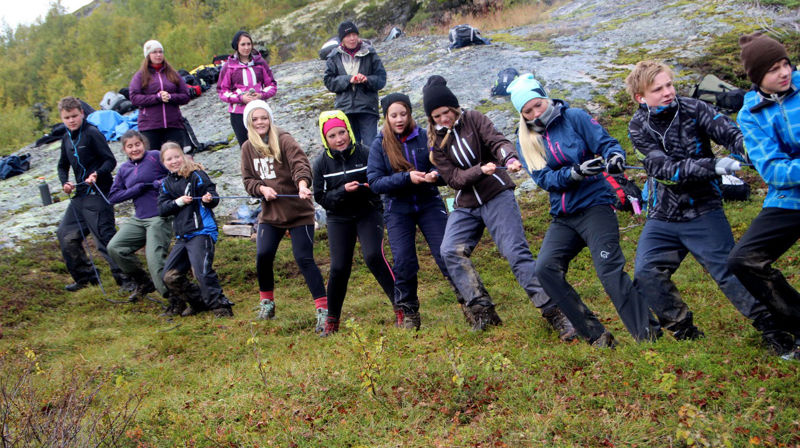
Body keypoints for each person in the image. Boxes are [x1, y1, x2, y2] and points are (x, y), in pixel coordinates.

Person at [625, 60, 793, 355]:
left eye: (669, 85)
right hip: (662, 215)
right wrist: (713, 165)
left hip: (703, 208)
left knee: (731, 274)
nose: (668, 92)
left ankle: (774, 329)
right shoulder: (638, 126)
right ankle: (683, 329)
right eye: (658, 89)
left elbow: (731, 134)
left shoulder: (693, 109)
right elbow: (664, 169)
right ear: (641, 97)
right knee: (646, 273)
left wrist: (755, 151)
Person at [507, 74, 656, 347]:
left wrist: (615, 158)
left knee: (608, 271)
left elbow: (607, 143)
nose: (535, 113)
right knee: (545, 269)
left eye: (537, 104)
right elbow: (543, 179)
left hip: (596, 205)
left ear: (545, 97)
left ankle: (648, 334)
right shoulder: (525, 140)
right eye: (527, 111)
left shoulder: (574, 117)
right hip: (563, 216)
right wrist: (574, 173)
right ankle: (596, 335)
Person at [423, 75, 576, 336]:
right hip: (466, 203)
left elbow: (497, 142)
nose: (443, 120)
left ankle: (556, 313)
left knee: (515, 253)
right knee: (450, 250)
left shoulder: (474, 119)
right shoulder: (435, 143)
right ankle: (483, 311)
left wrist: (509, 157)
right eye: (436, 116)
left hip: (496, 193)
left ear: (454, 108)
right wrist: (479, 170)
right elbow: (455, 180)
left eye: (446, 112)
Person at [367, 93, 471, 329]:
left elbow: (445, 168)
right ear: (386, 117)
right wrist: (406, 178)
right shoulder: (379, 144)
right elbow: (375, 182)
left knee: (447, 253)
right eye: (393, 115)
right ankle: (409, 313)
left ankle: (471, 303)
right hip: (397, 209)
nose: (399, 119)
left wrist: (436, 175)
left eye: (403, 114)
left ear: (410, 113)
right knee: (404, 261)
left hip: (429, 203)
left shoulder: (425, 136)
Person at [728, 33, 800, 359]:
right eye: (773, 69)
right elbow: (772, 171)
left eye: (786, 64)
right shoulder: (749, 115)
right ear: (758, 78)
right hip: (787, 199)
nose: (784, 73)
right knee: (743, 260)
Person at [239, 100, 328, 331]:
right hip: (271, 213)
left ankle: (324, 310)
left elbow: (301, 164)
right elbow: (248, 179)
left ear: (270, 118)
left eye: (264, 117)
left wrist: (301, 185)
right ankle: (267, 303)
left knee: (304, 258)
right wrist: (261, 189)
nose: (260, 122)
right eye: (255, 119)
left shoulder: (285, 139)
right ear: (249, 122)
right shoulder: (248, 147)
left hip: (299, 211)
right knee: (263, 255)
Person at [313, 110, 396, 335]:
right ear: (325, 139)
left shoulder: (366, 153)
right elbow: (320, 197)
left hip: (367, 211)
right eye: (332, 136)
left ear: (349, 131)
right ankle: (332, 320)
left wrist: (371, 188)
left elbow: (381, 180)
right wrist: (342, 191)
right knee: (339, 267)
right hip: (338, 217)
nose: (339, 139)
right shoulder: (320, 164)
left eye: (342, 132)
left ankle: (402, 306)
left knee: (373, 256)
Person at [56, 96, 131, 292]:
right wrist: (65, 182)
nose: (71, 120)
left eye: (74, 116)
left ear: (82, 113)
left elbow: (110, 161)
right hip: (79, 195)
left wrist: (97, 174)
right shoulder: (66, 138)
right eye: (67, 118)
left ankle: (127, 279)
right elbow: (62, 166)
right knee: (65, 235)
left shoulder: (92, 133)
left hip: (99, 193)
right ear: (62, 118)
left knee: (105, 240)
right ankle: (86, 277)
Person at [157, 142, 234, 317]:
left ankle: (221, 307)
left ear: (183, 156)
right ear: (163, 162)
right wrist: (179, 202)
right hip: (182, 236)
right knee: (169, 276)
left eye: (177, 156)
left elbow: (213, 196)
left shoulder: (196, 175)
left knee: (202, 271)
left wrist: (209, 199)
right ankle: (198, 302)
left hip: (202, 231)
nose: (174, 161)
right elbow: (161, 209)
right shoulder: (166, 183)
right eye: (169, 159)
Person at [107, 130, 173, 303]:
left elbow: (174, 173)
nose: (134, 149)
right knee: (114, 247)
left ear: (144, 144)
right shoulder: (124, 169)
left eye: (137, 144)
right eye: (130, 146)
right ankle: (143, 282)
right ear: (124, 149)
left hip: (159, 216)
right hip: (139, 218)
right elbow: (113, 197)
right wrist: (135, 190)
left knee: (154, 260)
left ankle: (173, 298)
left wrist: (160, 183)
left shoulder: (155, 156)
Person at [323, 20, 386, 147]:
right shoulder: (334, 57)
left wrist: (367, 80)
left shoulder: (370, 53)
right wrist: (348, 80)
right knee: (351, 148)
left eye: (354, 35)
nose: (352, 38)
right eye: (348, 36)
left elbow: (381, 79)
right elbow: (329, 82)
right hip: (345, 110)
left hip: (368, 109)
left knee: (372, 147)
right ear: (342, 39)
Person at [217, 30, 278, 147]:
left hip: (259, 111)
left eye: (249, 44)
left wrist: (261, 95)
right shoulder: (228, 66)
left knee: (267, 145)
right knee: (247, 147)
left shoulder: (260, 63)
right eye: (243, 44)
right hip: (239, 114)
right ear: (236, 46)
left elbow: (272, 85)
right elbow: (222, 91)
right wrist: (240, 98)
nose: (246, 47)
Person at [129, 40, 191, 152]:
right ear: (148, 55)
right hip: (150, 126)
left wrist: (170, 97)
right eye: (154, 52)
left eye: (160, 52)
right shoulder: (140, 76)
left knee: (176, 158)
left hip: (173, 124)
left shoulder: (173, 73)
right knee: (153, 160)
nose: (158, 55)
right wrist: (157, 98)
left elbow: (186, 96)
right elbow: (134, 98)